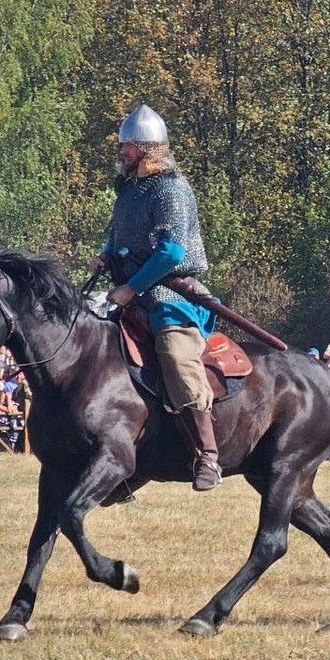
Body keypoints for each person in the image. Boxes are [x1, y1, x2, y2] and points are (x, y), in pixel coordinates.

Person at [97, 103, 222, 490]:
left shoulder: (171, 188)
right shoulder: (131, 190)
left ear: (148, 148)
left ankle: (208, 456)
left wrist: (130, 288)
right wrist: (106, 252)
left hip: (172, 296)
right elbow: (118, 234)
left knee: (174, 355)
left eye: (128, 146)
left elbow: (171, 253)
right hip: (129, 294)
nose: (122, 152)